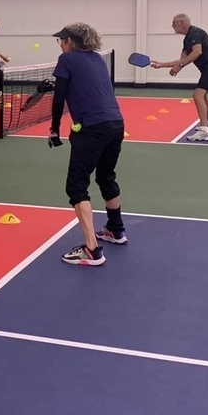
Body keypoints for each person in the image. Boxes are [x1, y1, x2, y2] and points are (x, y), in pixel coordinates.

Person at [47, 22, 127, 267]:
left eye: (62, 40)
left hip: (92, 128)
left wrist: (54, 129)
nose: (60, 44)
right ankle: (116, 229)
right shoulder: (97, 59)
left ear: (71, 41)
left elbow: (59, 98)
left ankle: (91, 250)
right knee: (105, 177)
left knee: (76, 187)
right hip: (116, 123)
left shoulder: (66, 60)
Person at [150, 14, 208, 142]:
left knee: (198, 95)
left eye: (174, 23)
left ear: (182, 23)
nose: (172, 26)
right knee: (203, 95)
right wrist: (161, 64)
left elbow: (197, 52)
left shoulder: (195, 33)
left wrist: (179, 66)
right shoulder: (187, 39)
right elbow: (182, 59)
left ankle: (204, 131)